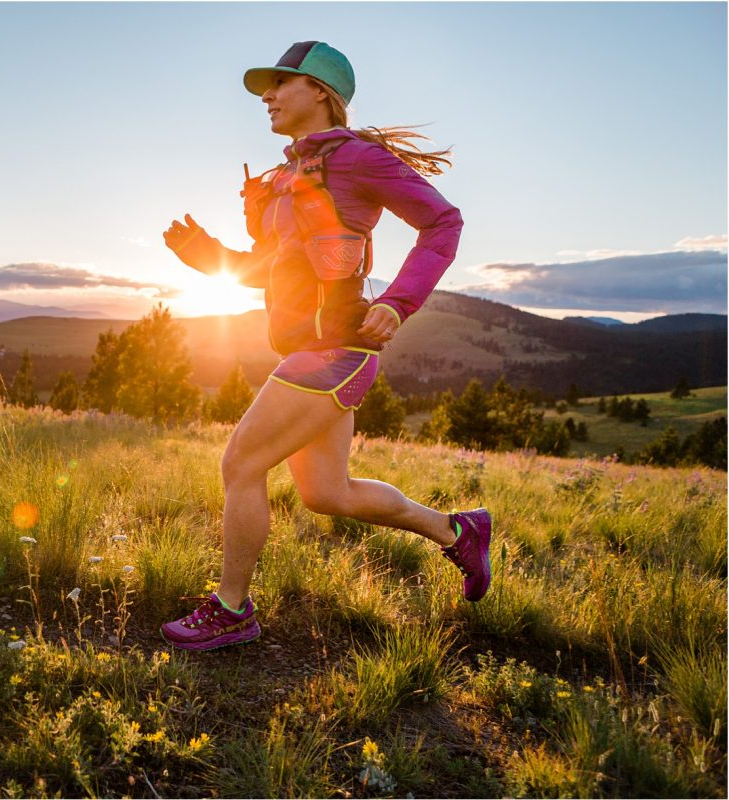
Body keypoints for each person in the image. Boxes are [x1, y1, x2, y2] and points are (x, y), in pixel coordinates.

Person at [159, 41, 490, 651]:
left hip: (336, 347)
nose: (267, 95)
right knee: (326, 493)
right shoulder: (290, 178)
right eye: (266, 87)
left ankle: (232, 610)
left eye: (281, 83)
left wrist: (398, 300)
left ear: (320, 91)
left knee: (241, 463)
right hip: (308, 349)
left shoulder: (358, 159)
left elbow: (443, 223)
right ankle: (458, 531)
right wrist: (206, 256)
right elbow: (269, 269)